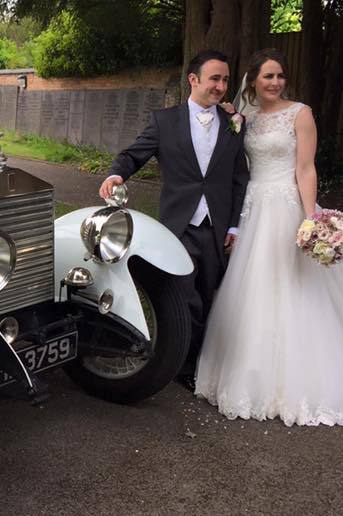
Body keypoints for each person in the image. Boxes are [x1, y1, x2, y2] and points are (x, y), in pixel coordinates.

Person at [194, 48, 343, 426]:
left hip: (286, 206)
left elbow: (305, 168)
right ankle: (249, 374)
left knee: (294, 287)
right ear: (253, 80)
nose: (275, 82)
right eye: (268, 76)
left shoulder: (300, 114)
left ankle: (301, 377)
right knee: (253, 288)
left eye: (280, 76)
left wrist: (310, 217)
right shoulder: (242, 116)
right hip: (253, 208)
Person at [98, 50, 249, 389]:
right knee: (184, 300)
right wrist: (116, 175)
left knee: (210, 297)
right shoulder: (164, 121)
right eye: (214, 78)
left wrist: (236, 225)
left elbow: (240, 179)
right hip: (179, 227)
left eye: (225, 80)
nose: (221, 86)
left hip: (218, 229)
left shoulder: (234, 124)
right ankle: (179, 366)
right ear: (193, 79)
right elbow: (133, 154)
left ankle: (199, 366)